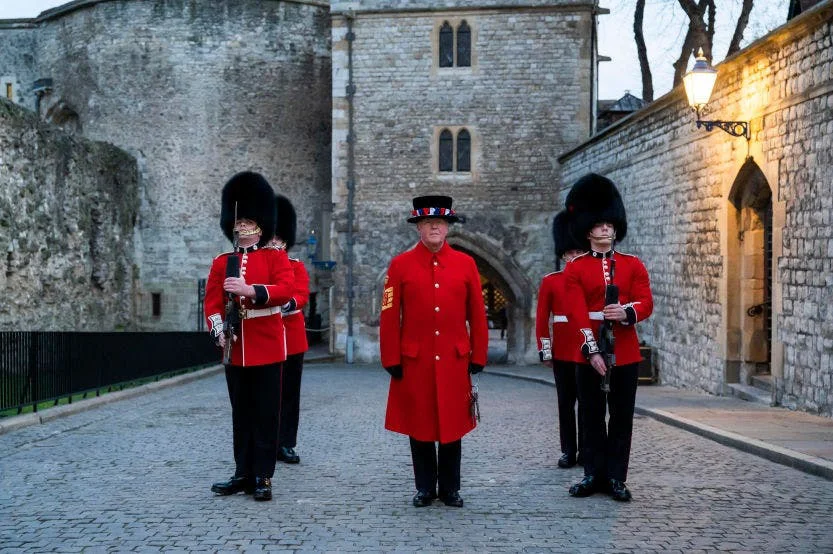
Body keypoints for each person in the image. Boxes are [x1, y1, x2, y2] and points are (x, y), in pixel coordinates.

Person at [379, 195, 489, 508]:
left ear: (448, 227)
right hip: (415, 360)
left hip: (454, 358)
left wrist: (478, 354)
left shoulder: (466, 264)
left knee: (453, 426)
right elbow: (389, 313)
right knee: (421, 425)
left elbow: (477, 314)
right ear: (418, 228)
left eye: (440, 223)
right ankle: (425, 487)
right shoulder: (400, 265)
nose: (434, 228)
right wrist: (391, 357)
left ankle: (450, 489)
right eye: (428, 223)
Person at [563, 173, 653, 502]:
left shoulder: (633, 265)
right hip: (587, 351)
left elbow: (646, 302)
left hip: (625, 351)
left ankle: (616, 477)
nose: (605, 229)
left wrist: (626, 312)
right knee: (590, 415)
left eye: (609, 225)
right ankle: (592, 474)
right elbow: (574, 311)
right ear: (588, 230)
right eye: (599, 225)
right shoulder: (575, 269)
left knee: (620, 417)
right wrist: (591, 349)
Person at [205, 171, 294, 502]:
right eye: (237, 220)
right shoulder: (222, 262)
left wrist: (250, 290)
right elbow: (212, 301)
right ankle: (242, 472)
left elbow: (285, 290)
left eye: (246, 220)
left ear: (260, 223)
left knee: (266, 413)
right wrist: (218, 331)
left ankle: (263, 476)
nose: (240, 226)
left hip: (268, 345)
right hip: (236, 347)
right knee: (240, 413)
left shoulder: (275, 257)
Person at [535, 210, 586, 469]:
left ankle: (587, 450)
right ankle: (568, 450)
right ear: (564, 255)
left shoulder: (592, 282)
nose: (574, 257)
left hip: (589, 352)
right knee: (565, 405)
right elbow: (542, 320)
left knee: (588, 406)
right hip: (563, 353)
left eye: (579, 253)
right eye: (571, 253)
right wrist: (545, 351)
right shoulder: (551, 282)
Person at [266, 194, 310, 465]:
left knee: (290, 395)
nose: (276, 245)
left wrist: (289, 303)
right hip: (266, 339)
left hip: (291, 339)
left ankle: (286, 443)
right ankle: (267, 442)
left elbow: (302, 293)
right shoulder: (261, 266)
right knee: (268, 394)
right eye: (272, 240)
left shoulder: (296, 267)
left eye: (279, 241)